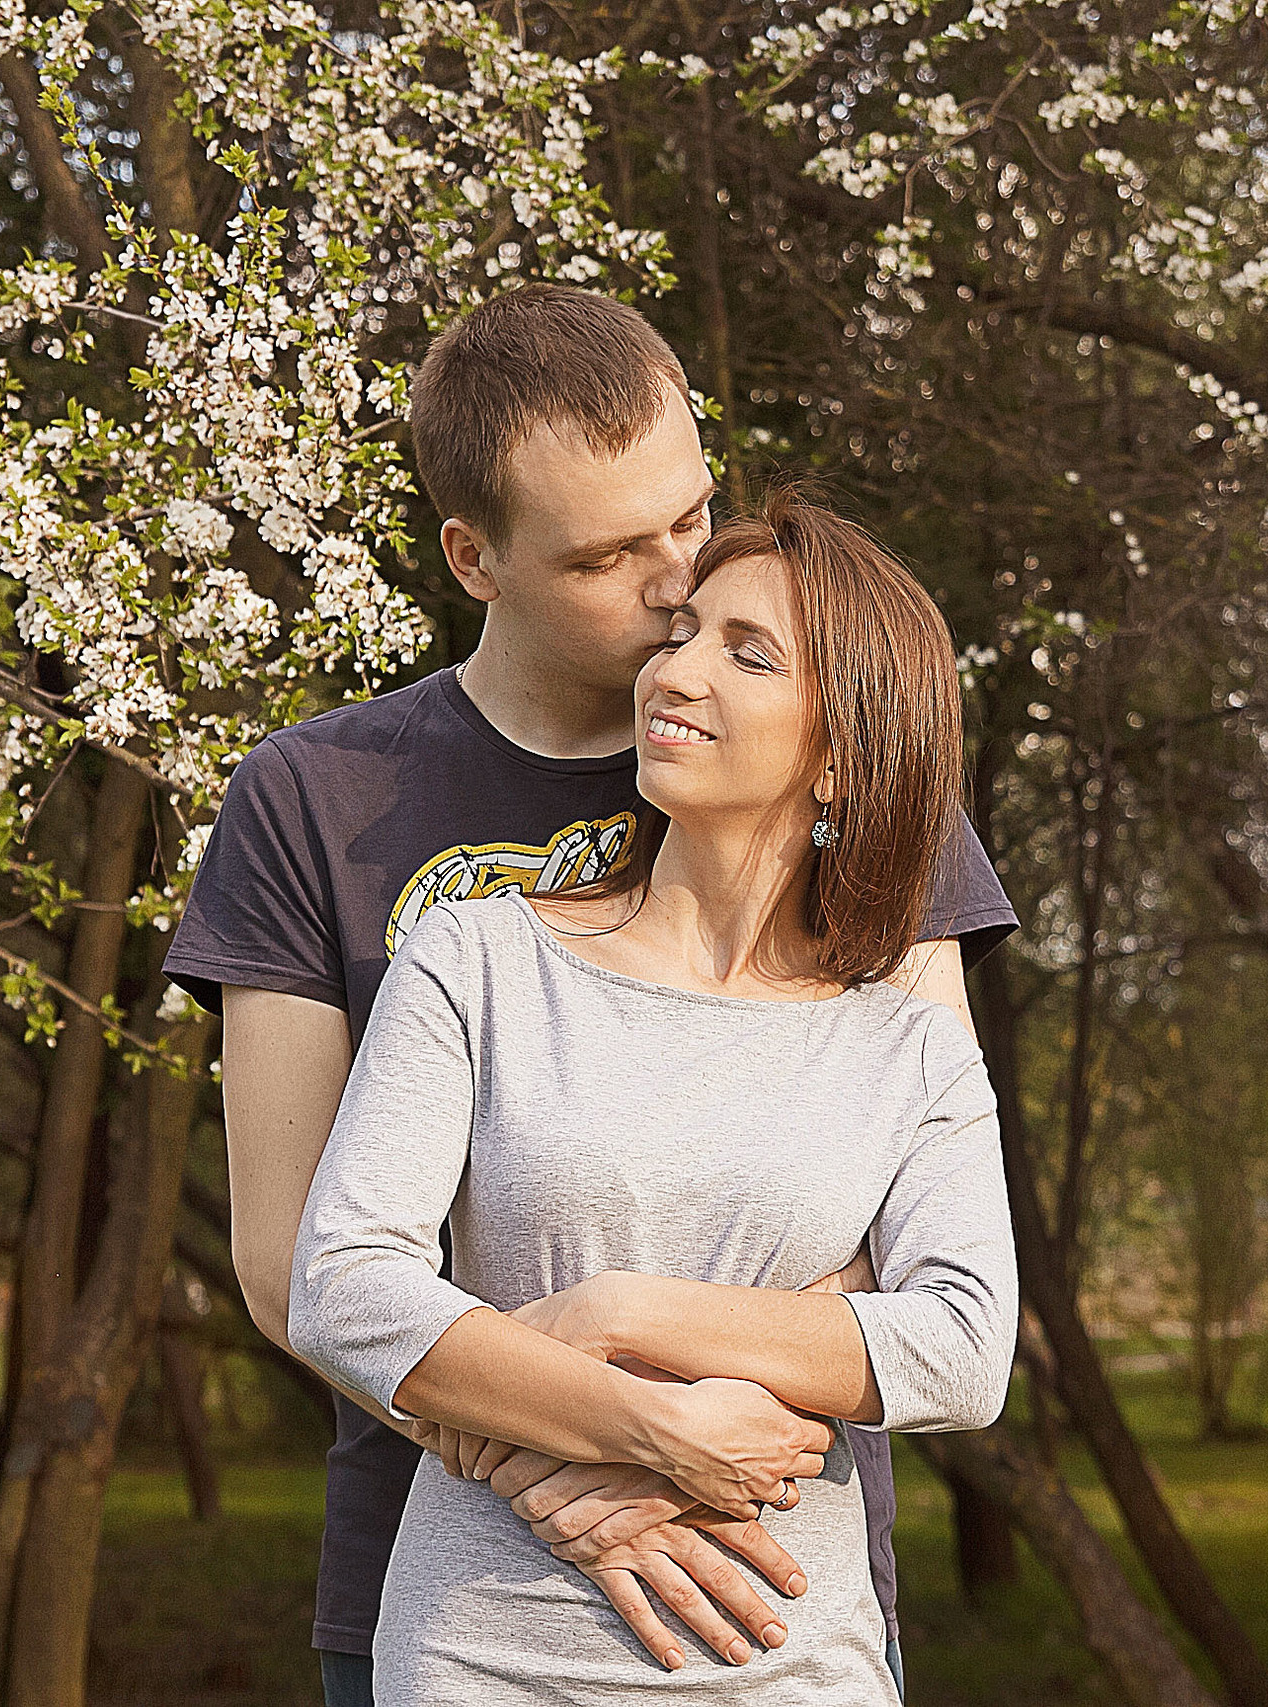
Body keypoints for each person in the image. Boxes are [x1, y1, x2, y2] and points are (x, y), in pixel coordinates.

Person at [162, 283, 1016, 1705]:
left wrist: (649, 1381)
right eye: (614, 556)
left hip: (763, 1571)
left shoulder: (842, 779)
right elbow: (291, 1261)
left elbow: (906, 1204)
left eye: (689, 516)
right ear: (475, 557)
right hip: (450, 1580)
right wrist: (575, 1456)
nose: (680, 582)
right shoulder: (320, 800)